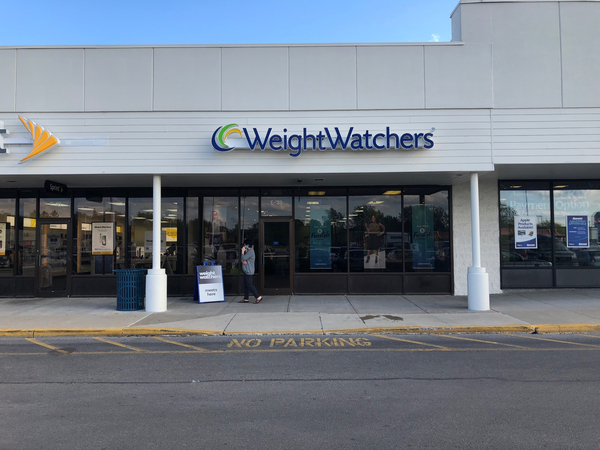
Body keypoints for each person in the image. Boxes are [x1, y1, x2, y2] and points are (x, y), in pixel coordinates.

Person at [239, 238, 263, 304]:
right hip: (246, 270)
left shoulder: (250, 252)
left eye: (244, 245)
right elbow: (242, 259)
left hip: (249, 270)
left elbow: (243, 258)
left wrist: (242, 251)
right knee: (245, 284)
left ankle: (258, 296)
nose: (244, 247)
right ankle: (246, 298)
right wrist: (243, 260)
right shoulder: (248, 251)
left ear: (247, 245)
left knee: (249, 284)